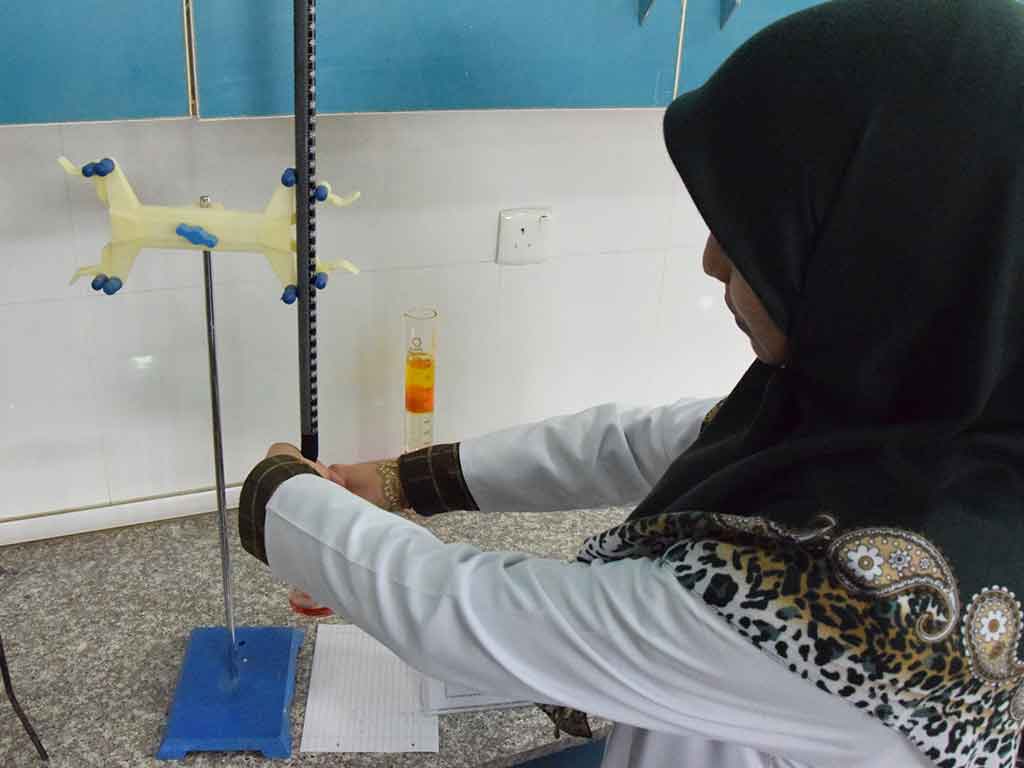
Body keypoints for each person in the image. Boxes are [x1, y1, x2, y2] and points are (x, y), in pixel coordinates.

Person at [236, 1, 1024, 765]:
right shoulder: (912, 421)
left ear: (889, 250)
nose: (711, 259)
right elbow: (640, 442)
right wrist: (402, 481)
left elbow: (477, 619)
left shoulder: (860, 608)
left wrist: (280, 497)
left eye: (757, 229)